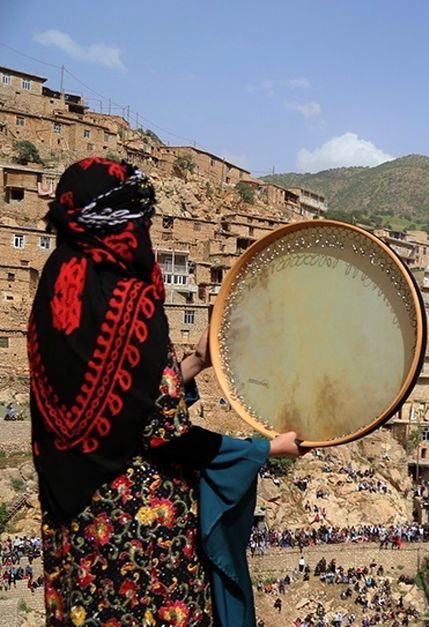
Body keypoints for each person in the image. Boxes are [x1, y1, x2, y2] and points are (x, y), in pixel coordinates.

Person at [27, 157, 306, 626]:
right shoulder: (131, 298)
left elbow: (120, 400)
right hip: (138, 537)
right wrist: (263, 449)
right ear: (125, 225)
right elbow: (163, 433)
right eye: (143, 221)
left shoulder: (57, 283)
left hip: (73, 527)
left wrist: (194, 363)